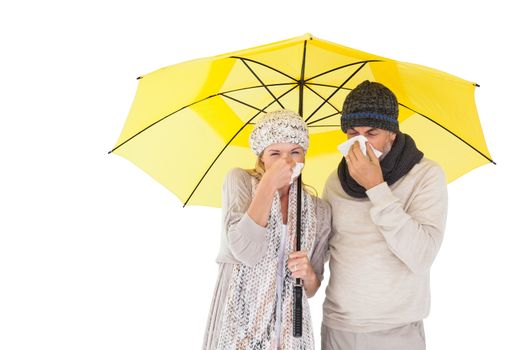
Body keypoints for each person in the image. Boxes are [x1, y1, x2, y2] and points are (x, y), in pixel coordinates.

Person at [321, 81, 448, 350]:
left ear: (391, 132)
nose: (360, 142)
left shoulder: (426, 175)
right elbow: (322, 252)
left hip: (396, 330)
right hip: (338, 327)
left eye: (372, 133)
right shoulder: (334, 181)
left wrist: (376, 188)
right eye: (352, 133)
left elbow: (422, 255)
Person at [202, 109, 332, 350]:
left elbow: (312, 289)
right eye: (275, 153)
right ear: (261, 156)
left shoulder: (318, 210)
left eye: (295, 152)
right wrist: (269, 184)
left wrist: (309, 274)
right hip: (239, 326)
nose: (287, 162)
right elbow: (245, 252)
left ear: (305, 155)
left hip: (290, 333)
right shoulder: (239, 181)